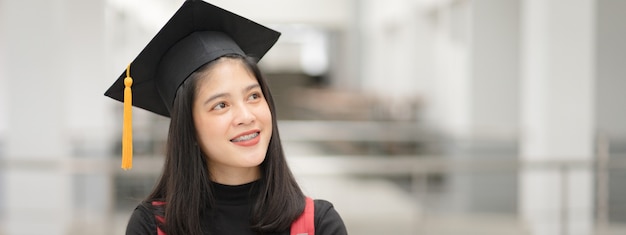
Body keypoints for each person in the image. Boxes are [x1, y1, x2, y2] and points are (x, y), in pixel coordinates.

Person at [104, 1, 348, 234]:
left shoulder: (318, 225)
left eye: (253, 96)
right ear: (187, 127)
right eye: (221, 105)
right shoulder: (151, 227)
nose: (246, 116)